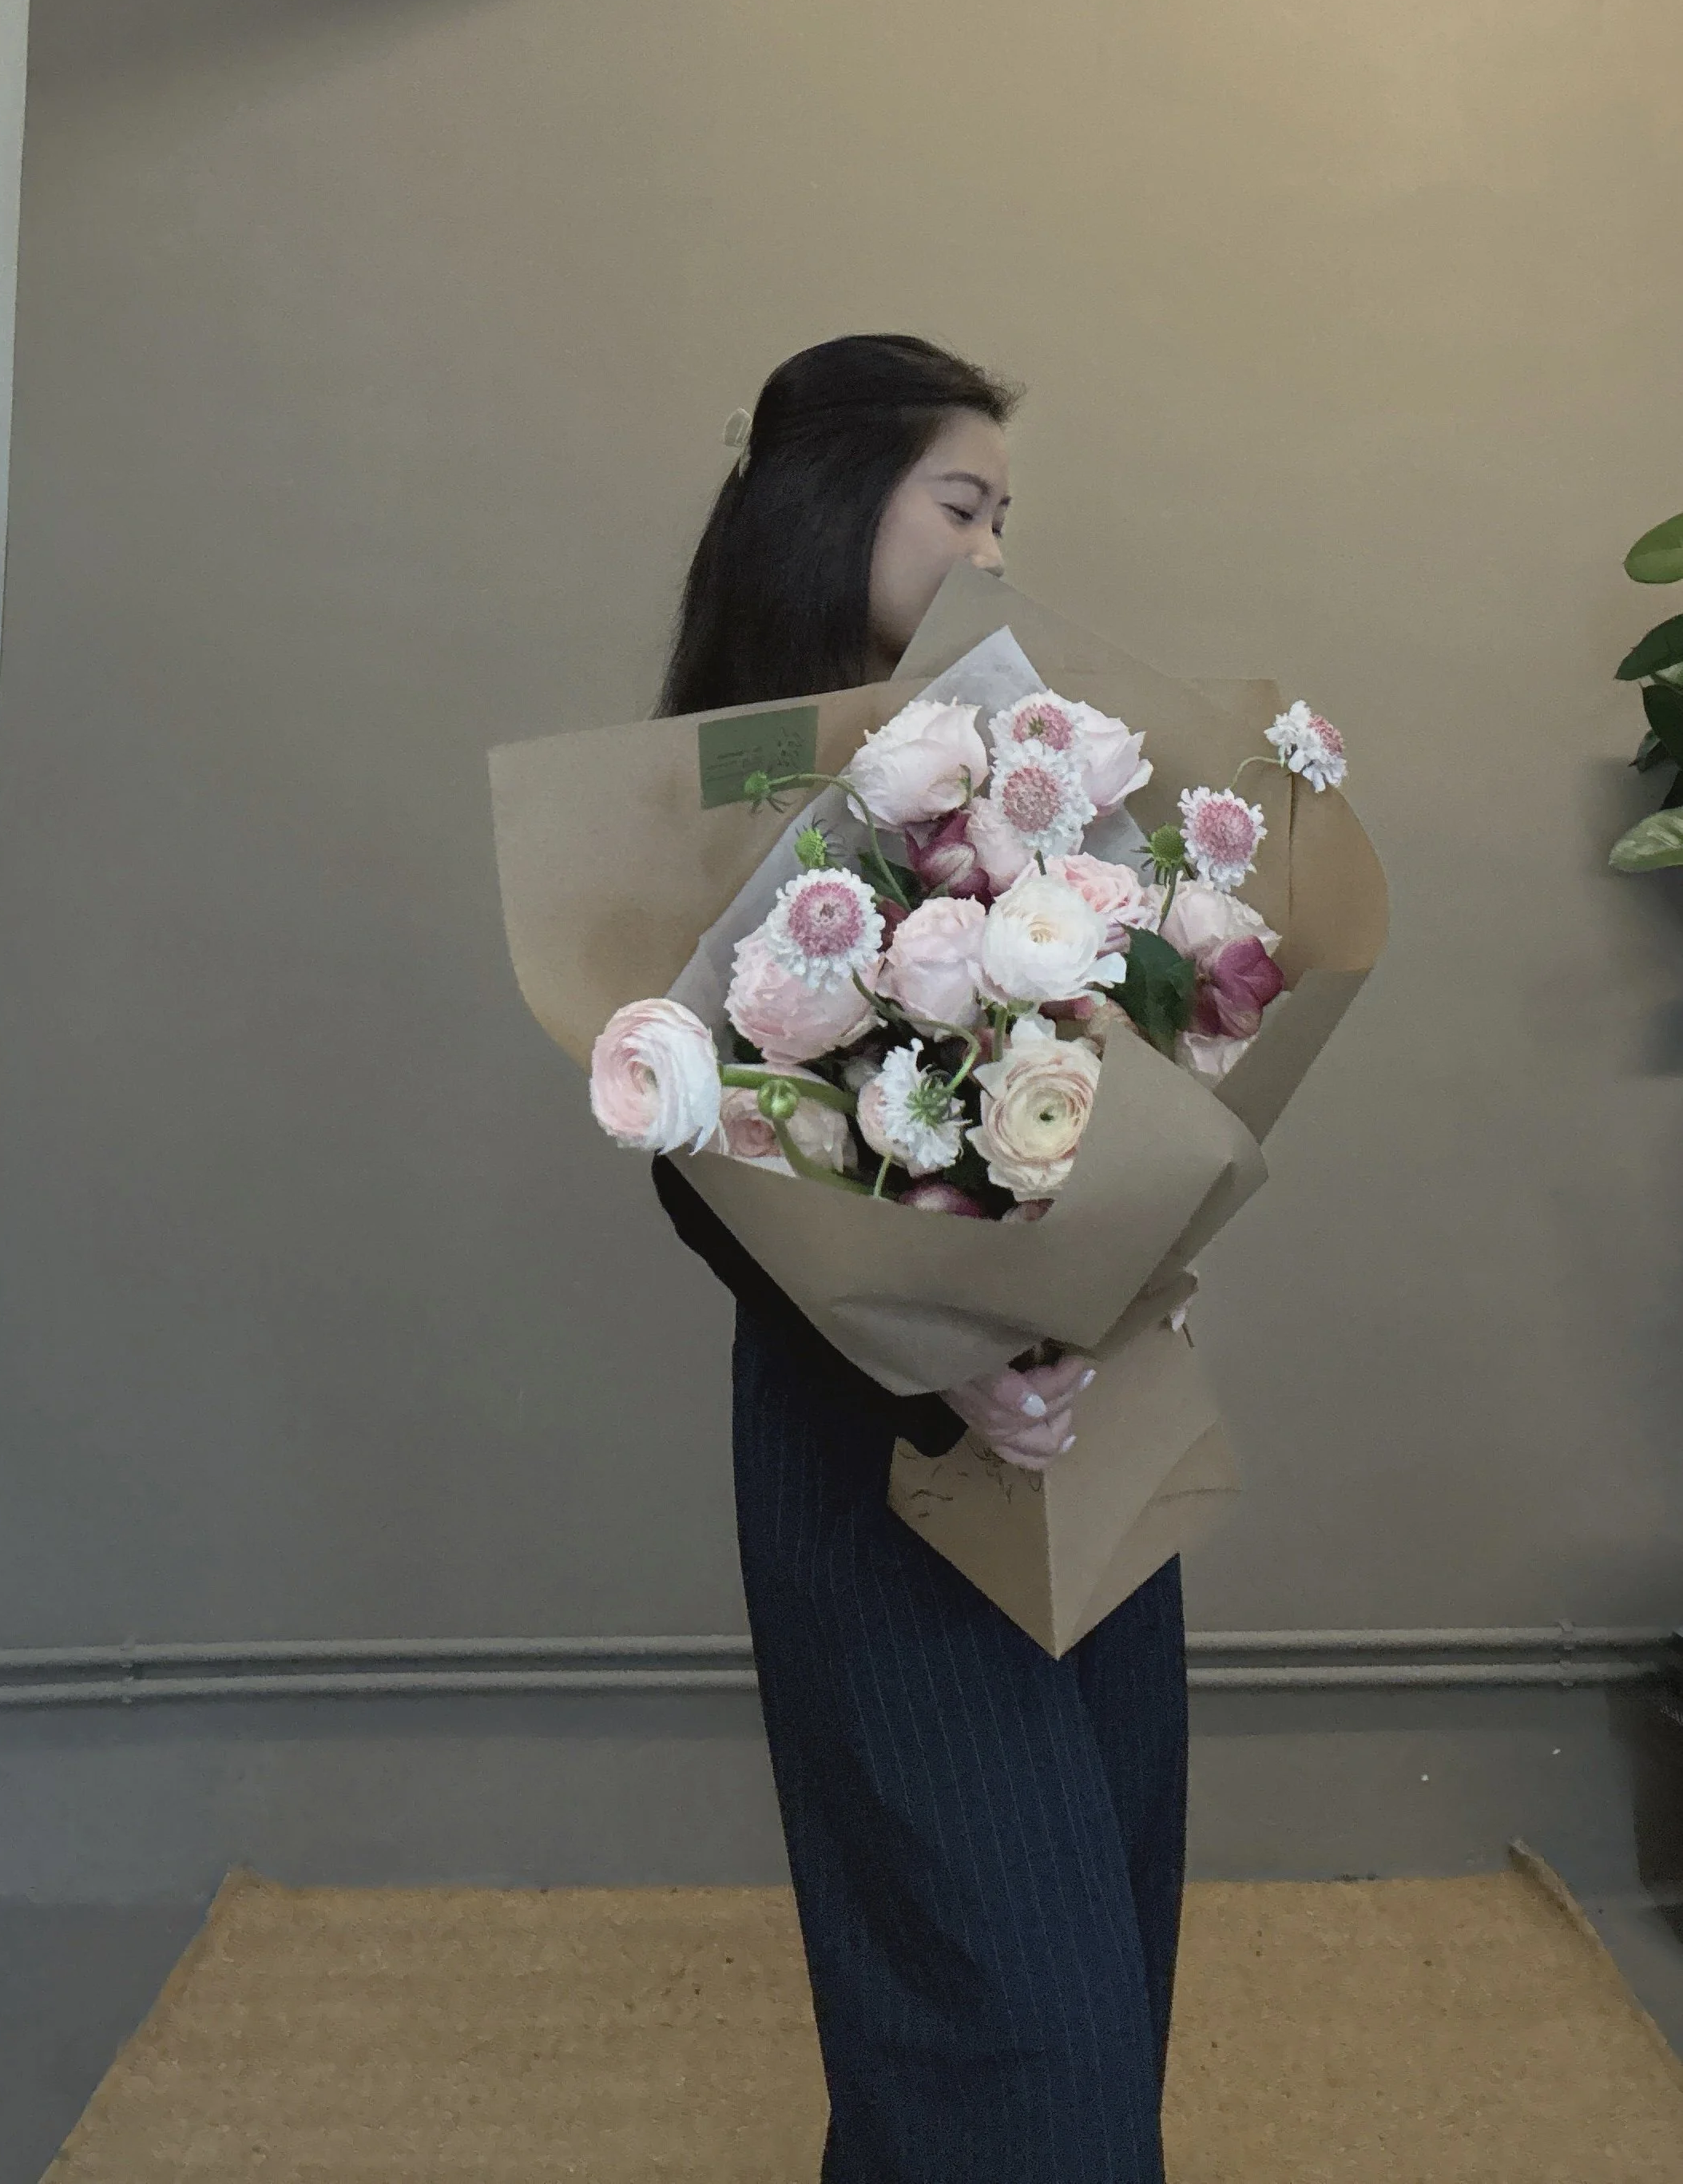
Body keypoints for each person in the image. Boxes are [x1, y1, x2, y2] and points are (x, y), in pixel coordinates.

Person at [651, 334, 1186, 2184]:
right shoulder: (713, 784)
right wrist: (935, 1344)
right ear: (831, 505)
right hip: (865, 1444)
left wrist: (1095, 1264)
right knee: (981, 1994)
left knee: (1097, 1944)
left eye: (1003, 517)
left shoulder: (1012, 773)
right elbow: (687, 1146)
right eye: (961, 507)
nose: (991, 554)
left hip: (1077, 1423)